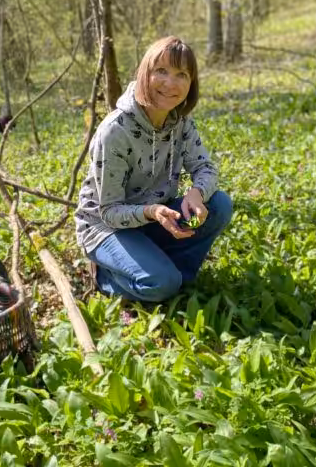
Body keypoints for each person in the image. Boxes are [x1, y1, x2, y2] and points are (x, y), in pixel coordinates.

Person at [75, 36, 233, 303]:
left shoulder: (180, 122)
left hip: (157, 218)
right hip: (107, 227)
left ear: (191, 83)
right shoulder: (115, 132)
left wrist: (196, 193)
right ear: (144, 73)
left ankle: (173, 273)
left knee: (219, 205)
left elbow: (204, 167)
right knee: (161, 283)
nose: (170, 83)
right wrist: (151, 211)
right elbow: (109, 211)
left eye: (181, 74)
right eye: (161, 71)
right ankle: (106, 276)